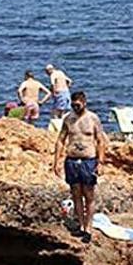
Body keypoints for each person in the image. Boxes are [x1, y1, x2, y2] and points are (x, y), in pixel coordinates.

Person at [52, 91, 108, 243]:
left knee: (88, 194)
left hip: (88, 161)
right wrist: (56, 161)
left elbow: (100, 141)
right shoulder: (68, 119)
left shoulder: (92, 118)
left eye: (78, 104)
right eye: (73, 104)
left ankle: (88, 228)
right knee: (76, 193)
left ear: (84, 102)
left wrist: (100, 162)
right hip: (71, 160)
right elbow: (61, 140)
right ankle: (81, 226)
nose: (75, 107)